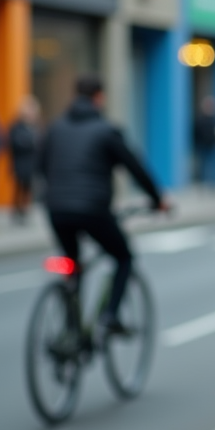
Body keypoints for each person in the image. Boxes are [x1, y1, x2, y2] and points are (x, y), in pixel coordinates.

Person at [38, 76, 167, 334]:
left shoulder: (55, 128)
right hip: (92, 209)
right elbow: (135, 167)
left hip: (56, 209)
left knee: (72, 264)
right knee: (123, 257)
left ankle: (70, 329)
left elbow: (40, 166)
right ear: (99, 97)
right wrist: (157, 199)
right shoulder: (106, 130)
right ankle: (110, 316)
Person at [8, 96, 41, 224]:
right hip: (20, 163)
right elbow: (15, 142)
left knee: (28, 188)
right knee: (19, 188)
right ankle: (17, 211)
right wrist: (31, 143)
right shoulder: (17, 126)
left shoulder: (35, 126)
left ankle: (24, 211)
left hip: (32, 163)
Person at [192, 95, 215, 188]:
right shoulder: (200, 119)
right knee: (203, 166)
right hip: (202, 146)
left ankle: (214, 184)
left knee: (213, 165)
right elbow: (196, 132)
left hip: (213, 146)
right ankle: (203, 184)